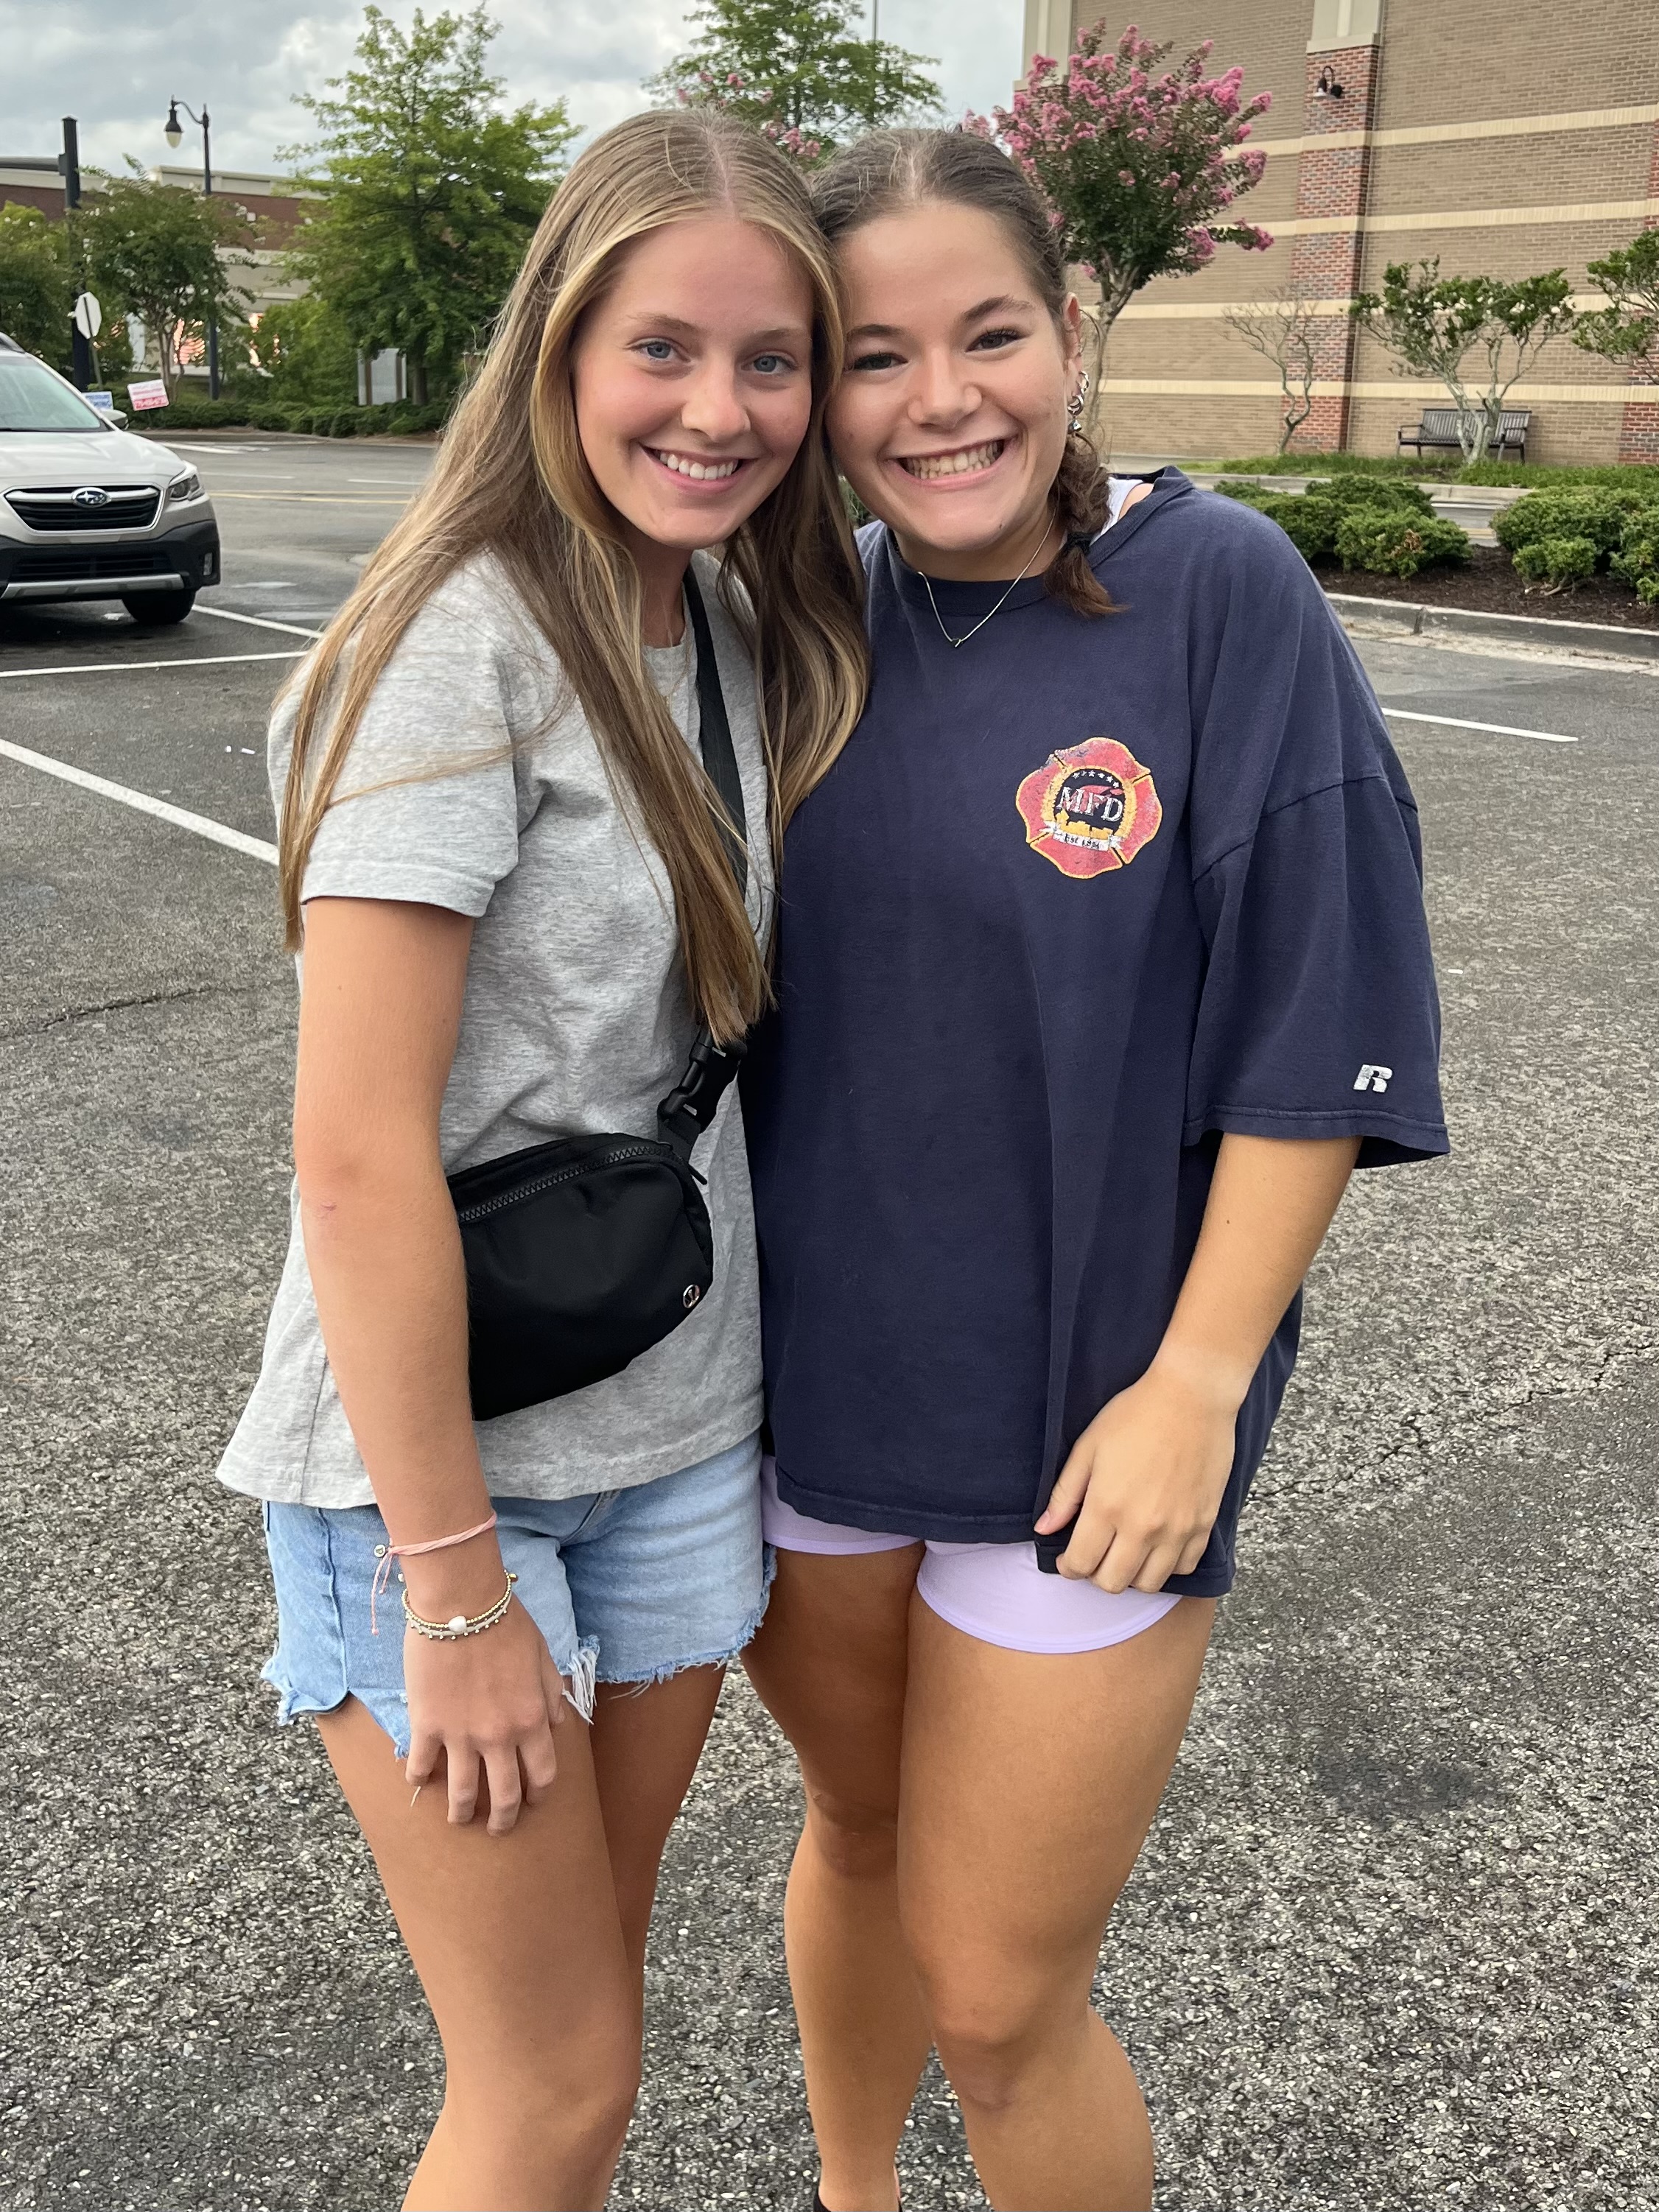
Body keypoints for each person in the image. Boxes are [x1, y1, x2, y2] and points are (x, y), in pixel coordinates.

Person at [740, 128, 1449, 2212]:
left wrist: (1197, 1385)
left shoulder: (1215, 592)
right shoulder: (798, 616)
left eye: (989, 334)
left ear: (1071, 326)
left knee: (997, 1994)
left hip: (1092, 1423)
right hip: (806, 1404)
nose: (939, 400)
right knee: (857, 1840)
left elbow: (1314, 1032)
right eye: (873, 356)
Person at [215, 110, 865, 2212]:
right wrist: (455, 1589)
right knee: (550, 2086)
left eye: (772, 360)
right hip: (439, 1489)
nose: (719, 409)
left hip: (671, 1438)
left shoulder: (732, 628)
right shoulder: (456, 642)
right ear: (560, 346)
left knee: (589, 2032)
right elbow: (352, 1159)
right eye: (661, 347)